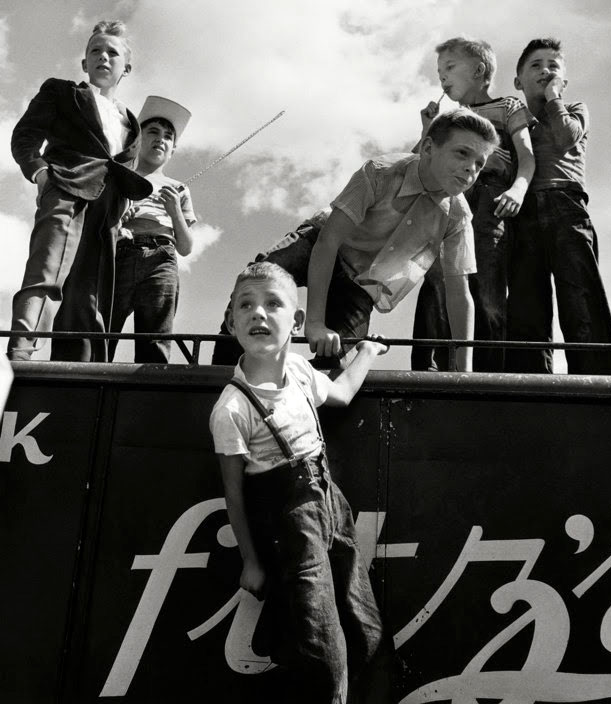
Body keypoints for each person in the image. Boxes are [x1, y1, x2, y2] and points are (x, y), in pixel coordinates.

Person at [210, 261, 390, 704]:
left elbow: (343, 393)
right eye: (246, 306)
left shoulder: (302, 372)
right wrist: (251, 562)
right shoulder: (231, 409)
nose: (259, 314)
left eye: (273, 304)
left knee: (361, 613)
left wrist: (367, 351)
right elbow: (234, 495)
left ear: (294, 322)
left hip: (332, 505)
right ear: (232, 323)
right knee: (318, 630)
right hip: (290, 525)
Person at [212, 108, 499, 373]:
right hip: (321, 243)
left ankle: (303, 395)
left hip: (360, 280)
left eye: (479, 163)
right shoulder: (380, 172)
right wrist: (313, 323)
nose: (470, 169)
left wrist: (465, 370)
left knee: (337, 358)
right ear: (427, 148)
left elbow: (459, 295)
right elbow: (327, 242)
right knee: (262, 276)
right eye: (462, 153)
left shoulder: (457, 216)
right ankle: (220, 373)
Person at [7, 20, 151, 362]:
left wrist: (126, 205)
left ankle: (79, 376)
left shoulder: (131, 121)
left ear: (126, 68)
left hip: (108, 213)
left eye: (112, 52)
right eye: (95, 51)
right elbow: (24, 137)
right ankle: (20, 356)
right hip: (66, 191)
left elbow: (124, 168)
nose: (103, 56)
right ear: (84, 63)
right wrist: (41, 174)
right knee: (46, 272)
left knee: (90, 295)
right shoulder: (61, 92)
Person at [411, 37, 535, 371]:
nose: (442, 77)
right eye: (439, 72)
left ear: (479, 71)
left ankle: (486, 377)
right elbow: (416, 166)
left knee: (487, 290)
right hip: (448, 209)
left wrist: (518, 190)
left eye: (449, 67)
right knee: (435, 282)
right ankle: (427, 372)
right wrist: (427, 130)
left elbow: (526, 158)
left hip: (489, 208)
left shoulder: (508, 107)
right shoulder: (446, 123)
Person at [504, 38, 611, 375]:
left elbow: (566, 137)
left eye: (553, 66)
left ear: (564, 81)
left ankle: (598, 381)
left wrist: (554, 97)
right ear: (518, 82)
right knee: (527, 303)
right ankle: (529, 384)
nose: (545, 70)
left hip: (566, 206)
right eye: (536, 65)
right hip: (523, 212)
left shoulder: (575, 109)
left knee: (580, 295)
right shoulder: (515, 121)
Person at [109, 96, 195, 362]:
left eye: (168, 136)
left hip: (162, 257)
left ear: (173, 149)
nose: (161, 139)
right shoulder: (119, 176)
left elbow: (185, 247)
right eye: (153, 132)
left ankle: (148, 399)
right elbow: (102, 224)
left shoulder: (178, 188)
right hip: (120, 256)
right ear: (136, 139)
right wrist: (120, 220)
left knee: (155, 339)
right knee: (104, 331)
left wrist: (174, 211)